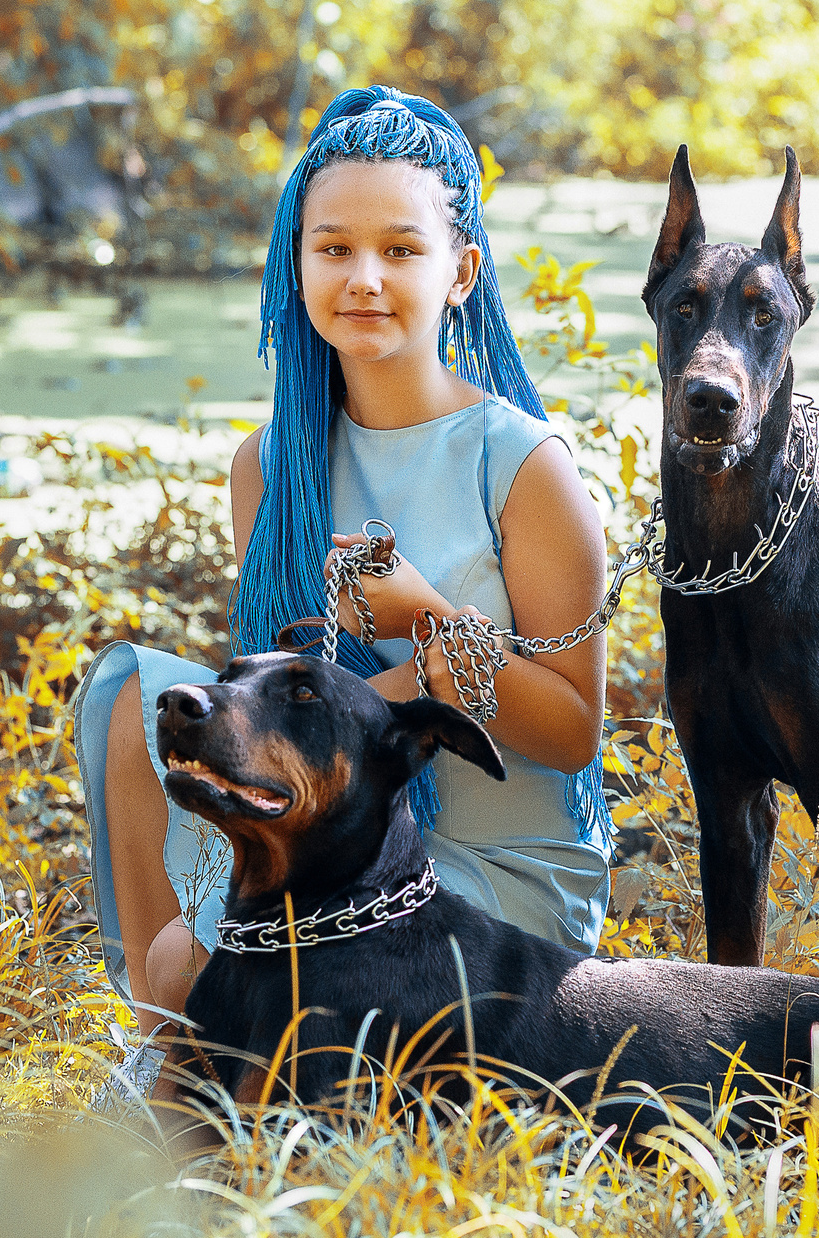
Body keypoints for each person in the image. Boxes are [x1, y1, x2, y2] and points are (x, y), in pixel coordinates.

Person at [69, 87, 612, 1057]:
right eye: (334, 249)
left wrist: (428, 621)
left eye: (401, 250)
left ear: (461, 271)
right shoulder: (271, 465)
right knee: (134, 699)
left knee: (201, 964)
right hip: (336, 840)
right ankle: (170, 1054)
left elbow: (572, 733)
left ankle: (215, 1033)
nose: (364, 278)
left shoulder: (523, 465)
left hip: (495, 870)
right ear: (297, 263)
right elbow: (276, 720)